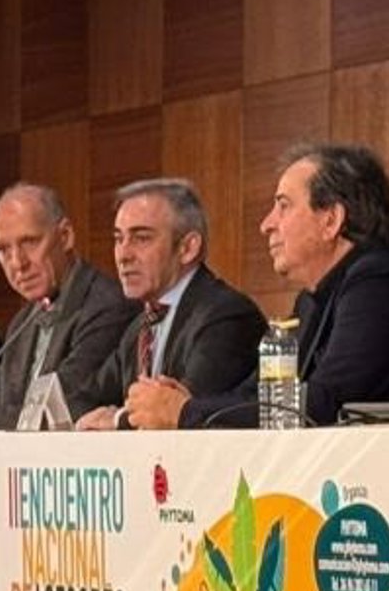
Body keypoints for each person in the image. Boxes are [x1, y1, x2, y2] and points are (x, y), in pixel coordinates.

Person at [126, 143, 389, 429]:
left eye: (283, 206)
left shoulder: (381, 286)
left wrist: (186, 413)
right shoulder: (315, 298)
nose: (266, 224)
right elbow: (258, 394)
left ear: (331, 220)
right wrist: (189, 402)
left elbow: (321, 405)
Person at [73, 179, 264, 431]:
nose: (123, 255)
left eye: (141, 238)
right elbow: (82, 401)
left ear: (187, 248)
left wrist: (118, 419)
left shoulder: (226, 315)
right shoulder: (138, 328)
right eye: (119, 239)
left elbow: (183, 412)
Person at [0, 182, 133, 429]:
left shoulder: (106, 306)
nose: (18, 263)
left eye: (29, 242)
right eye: (4, 250)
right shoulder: (22, 322)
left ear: (65, 236)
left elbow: (56, 410)